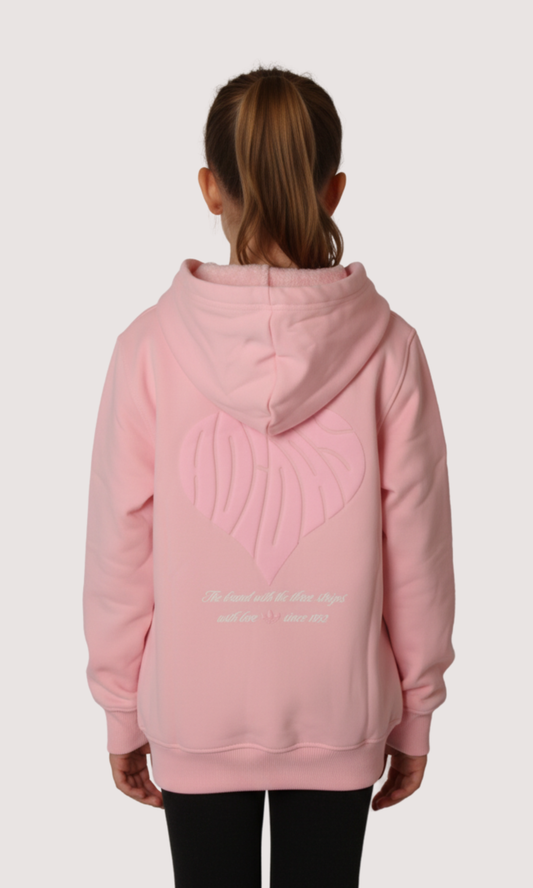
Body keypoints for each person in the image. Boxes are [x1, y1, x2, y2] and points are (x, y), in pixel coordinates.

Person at [82, 64, 456, 888]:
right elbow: (418, 552)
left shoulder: (148, 348)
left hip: (192, 711)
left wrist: (120, 707)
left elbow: (119, 544)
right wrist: (415, 711)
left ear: (210, 188)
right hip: (341, 711)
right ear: (334, 191)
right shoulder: (390, 350)